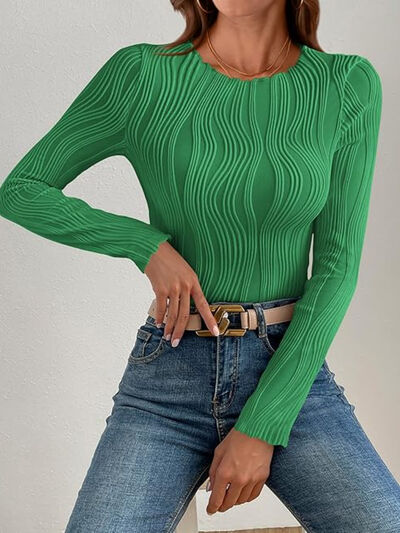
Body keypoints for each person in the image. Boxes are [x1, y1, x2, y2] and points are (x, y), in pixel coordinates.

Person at [1, 1, 399, 531]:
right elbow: (22, 190)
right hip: (169, 375)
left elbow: (336, 268)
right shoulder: (141, 75)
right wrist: (145, 245)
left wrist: (262, 424)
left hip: (289, 371)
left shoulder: (346, 84)